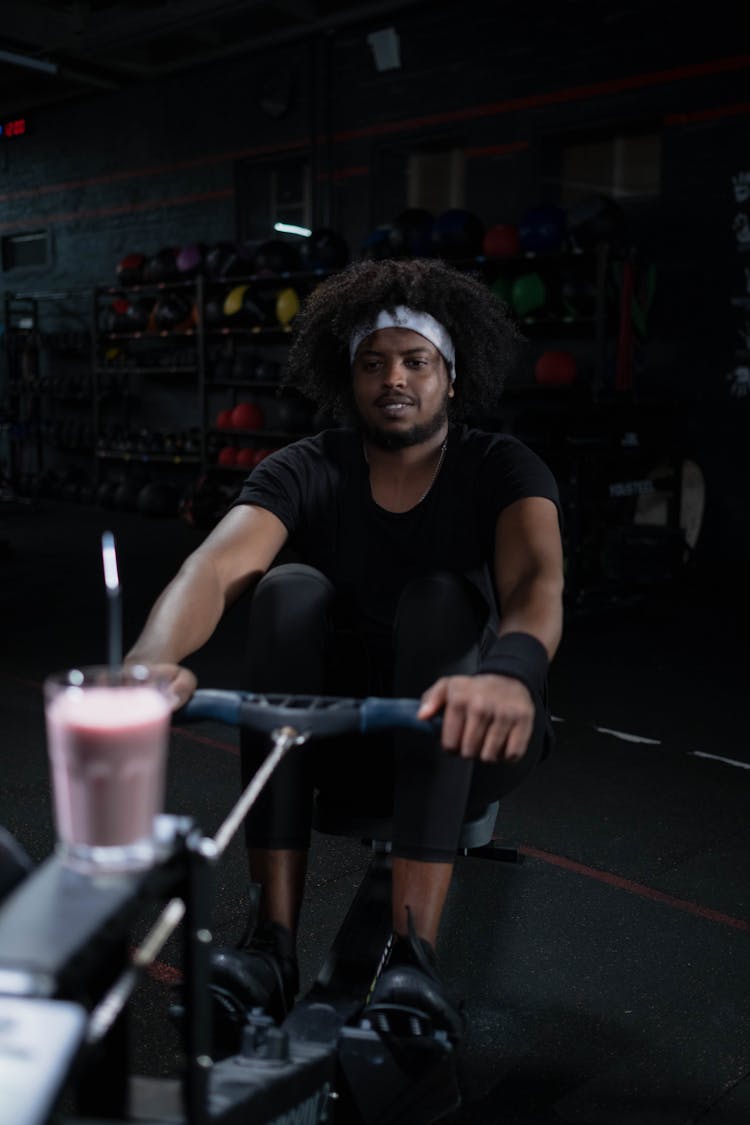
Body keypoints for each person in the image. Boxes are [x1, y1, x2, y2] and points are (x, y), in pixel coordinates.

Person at [125, 255, 564, 1048]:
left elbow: (537, 581)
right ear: (349, 376)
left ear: (450, 377)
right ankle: (272, 943)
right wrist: (148, 660)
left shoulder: (500, 465)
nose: (393, 378)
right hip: (336, 741)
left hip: (472, 732)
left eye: (415, 361)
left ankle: (414, 952)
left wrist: (511, 673)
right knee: (287, 587)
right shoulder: (307, 465)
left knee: (437, 599)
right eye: (373, 363)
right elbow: (217, 566)